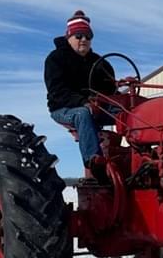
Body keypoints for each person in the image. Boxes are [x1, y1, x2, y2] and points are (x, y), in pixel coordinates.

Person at [44, 10, 117, 178]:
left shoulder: (99, 63)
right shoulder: (56, 59)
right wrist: (84, 102)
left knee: (127, 114)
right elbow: (57, 92)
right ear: (69, 37)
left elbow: (110, 89)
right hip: (64, 108)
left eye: (87, 36)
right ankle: (94, 161)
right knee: (83, 114)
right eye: (78, 36)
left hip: (97, 107)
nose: (83, 40)